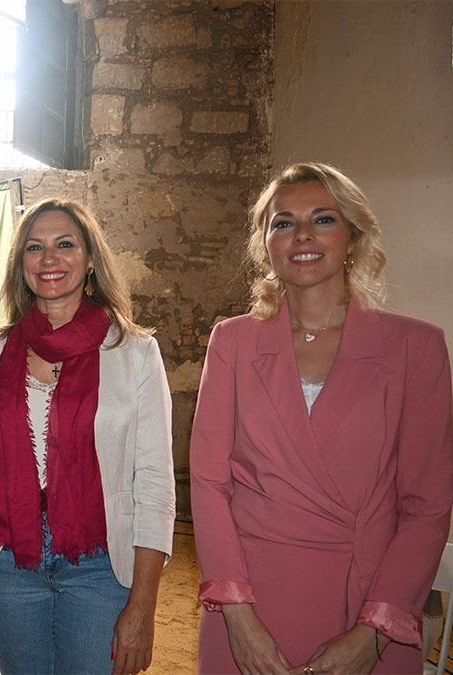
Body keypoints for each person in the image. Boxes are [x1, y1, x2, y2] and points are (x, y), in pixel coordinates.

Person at [191, 162, 453, 674]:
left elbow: (427, 506)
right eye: (283, 222)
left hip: (367, 605)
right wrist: (239, 618)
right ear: (265, 244)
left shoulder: (416, 347)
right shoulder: (234, 341)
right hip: (248, 601)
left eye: (324, 219)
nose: (303, 235)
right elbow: (208, 481)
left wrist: (373, 634)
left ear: (353, 236)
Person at [0, 197, 176, 675]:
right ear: (21, 264)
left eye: (65, 245)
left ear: (91, 259)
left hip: (99, 565)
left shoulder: (134, 352)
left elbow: (154, 481)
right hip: (10, 564)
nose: (49, 259)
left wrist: (143, 606)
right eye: (35, 247)